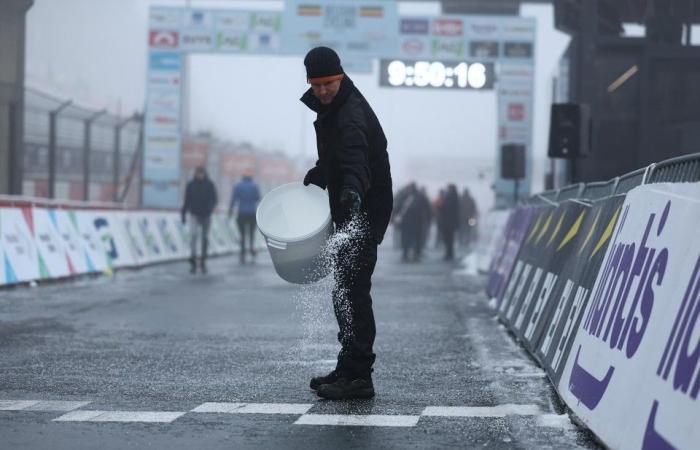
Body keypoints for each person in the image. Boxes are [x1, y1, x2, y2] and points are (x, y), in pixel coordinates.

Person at [300, 47, 393, 400]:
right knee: (343, 290)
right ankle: (348, 365)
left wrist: (352, 190)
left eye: (329, 83)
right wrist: (324, 172)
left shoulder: (350, 113)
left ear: (340, 77)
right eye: (317, 84)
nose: (323, 91)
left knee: (353, 292)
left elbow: (356, 158)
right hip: (351, 208)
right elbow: (338, 156)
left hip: (363, 210)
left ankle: (358, 378)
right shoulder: (332, 107)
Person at [181, 166, 218, 274]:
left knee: (205, 237)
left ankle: (203, 258)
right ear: (195, 174)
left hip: (206, 215)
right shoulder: (191, 185)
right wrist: (183, 213)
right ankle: (193, 258)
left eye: (201, 173)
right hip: (194, 214)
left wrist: (210, 208)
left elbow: (215, 199)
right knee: (193, 235)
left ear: (204, 174)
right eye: (198, 173)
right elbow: (186, 200)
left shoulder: (210, 185)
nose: (200, 175)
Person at [228, 170, 261, 264]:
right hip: (252, 213)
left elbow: (234, 199)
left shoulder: (238, 186)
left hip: (241, 213)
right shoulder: (254, 186)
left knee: (242, 234)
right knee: (251, 233)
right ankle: (251, 248)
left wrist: (230, 212)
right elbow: (258, 198)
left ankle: (242, 253)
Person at [438, 184, 460, 261]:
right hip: (449, 222)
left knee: (448, 239)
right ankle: (449, 253)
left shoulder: (451, 197)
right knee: (448, 239)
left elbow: (445, 208)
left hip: (448, 222)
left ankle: (449, 254)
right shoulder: (453, 197)